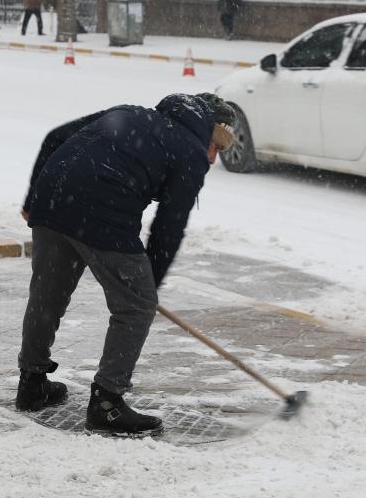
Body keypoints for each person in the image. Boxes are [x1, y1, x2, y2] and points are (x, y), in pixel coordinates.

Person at [16, 93, 237, 436]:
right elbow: (168, 228)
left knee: (48, 293)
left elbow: (56, 137)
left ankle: (31, 384)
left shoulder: (131, 113)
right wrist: (147, 291)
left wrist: (33, 200)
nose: (213, 158)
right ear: (210, 132)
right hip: (102, 209)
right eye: (217, 147)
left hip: (53, 196)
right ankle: (107, 404)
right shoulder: (191, 152)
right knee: (136, 307)